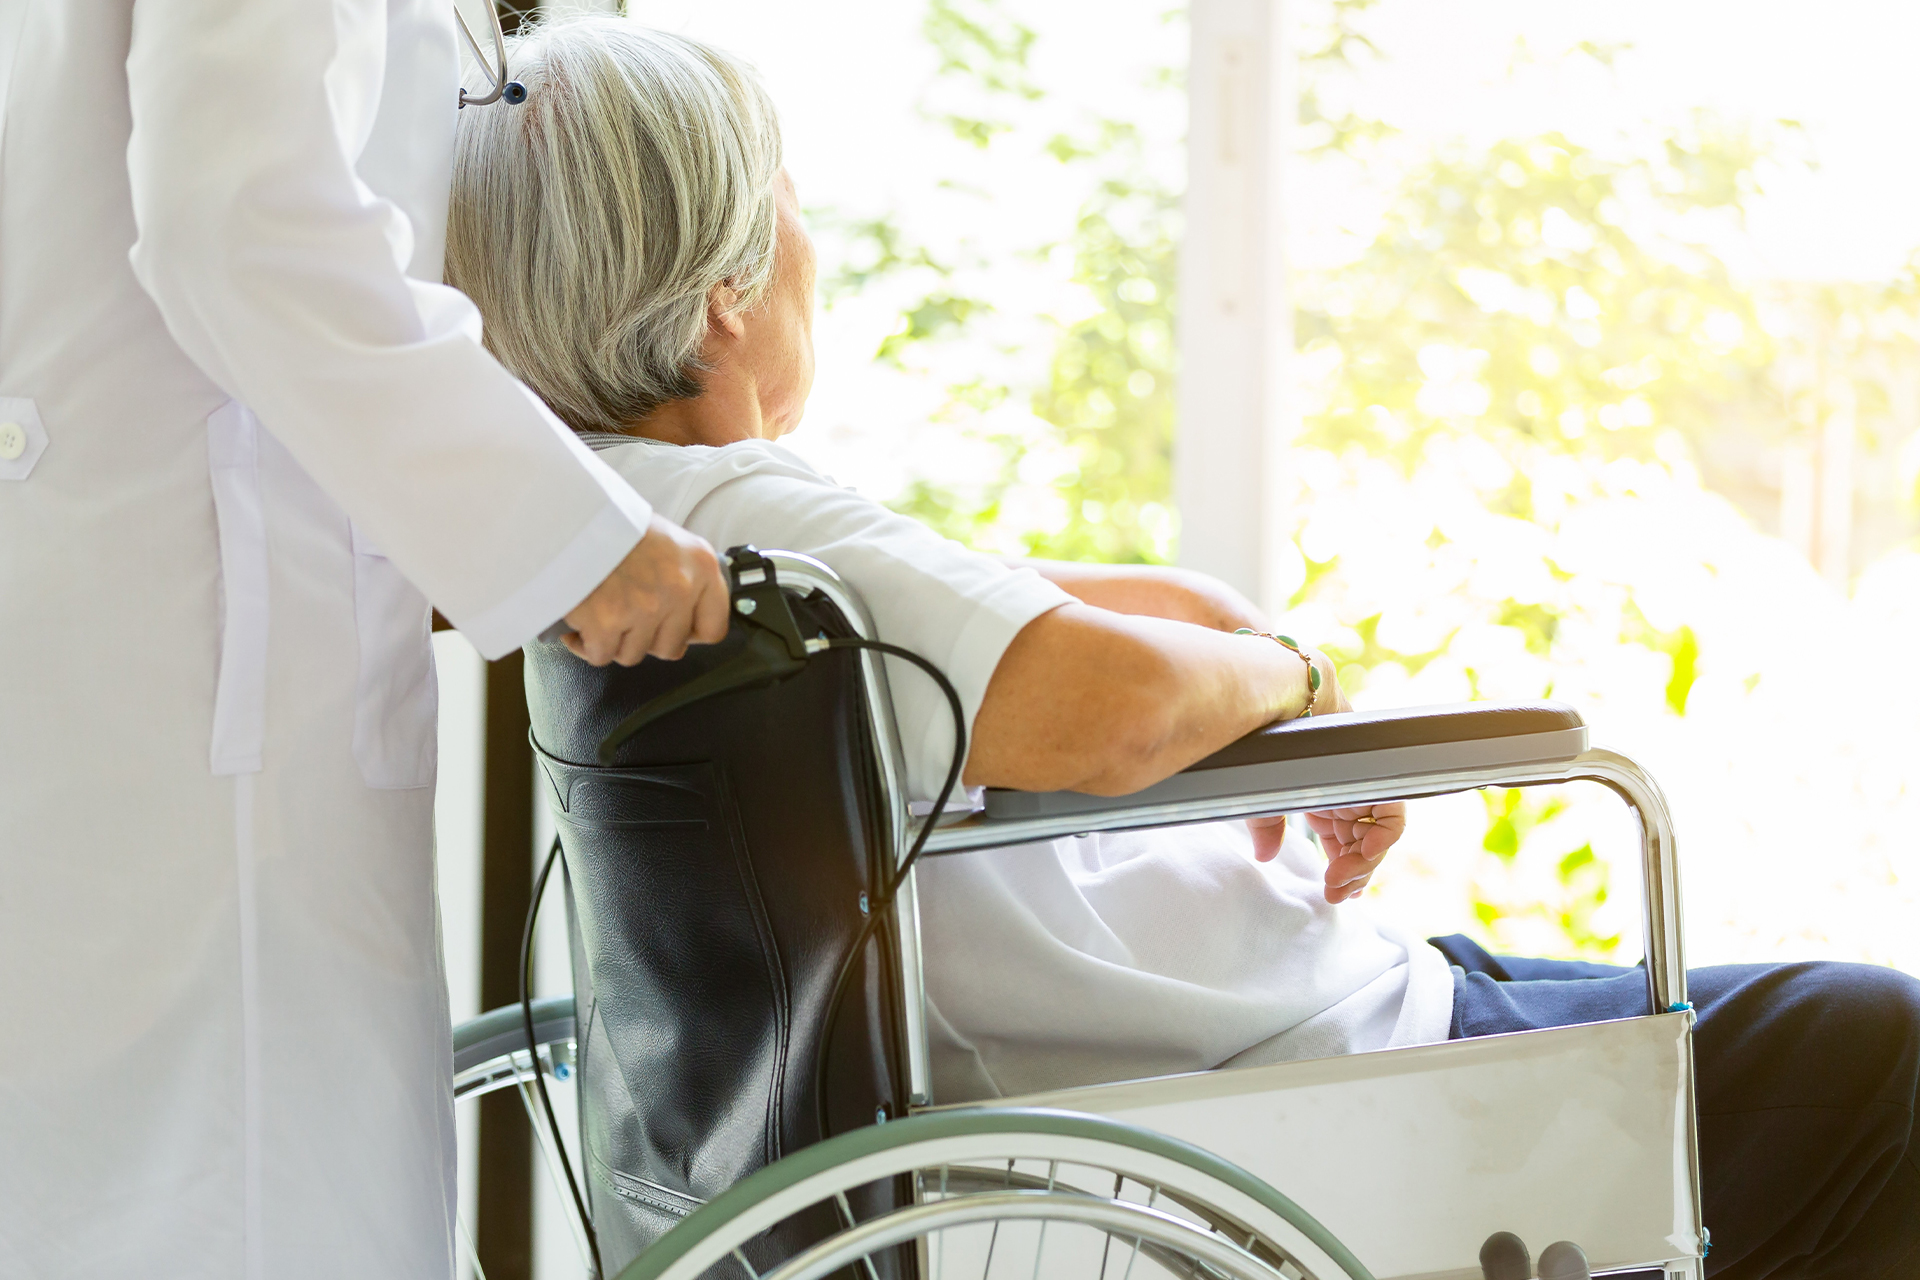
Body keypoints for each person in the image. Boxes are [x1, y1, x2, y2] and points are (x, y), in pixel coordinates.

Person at [447, 18, 1920, 1278]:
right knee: (1883, 1050)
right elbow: (1115, 712)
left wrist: (1225, 621)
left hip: (1279, 1033)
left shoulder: (621, 528)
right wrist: (1296, 681)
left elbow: (1004, 611)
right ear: (730, 286)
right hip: (1298, 1093)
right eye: (793, 208)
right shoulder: (751, 517)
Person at [0, 3, 730, 1277]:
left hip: (148, 628)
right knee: (235, 1197)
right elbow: (236, 217)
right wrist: (563, 530)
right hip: (180, 669)